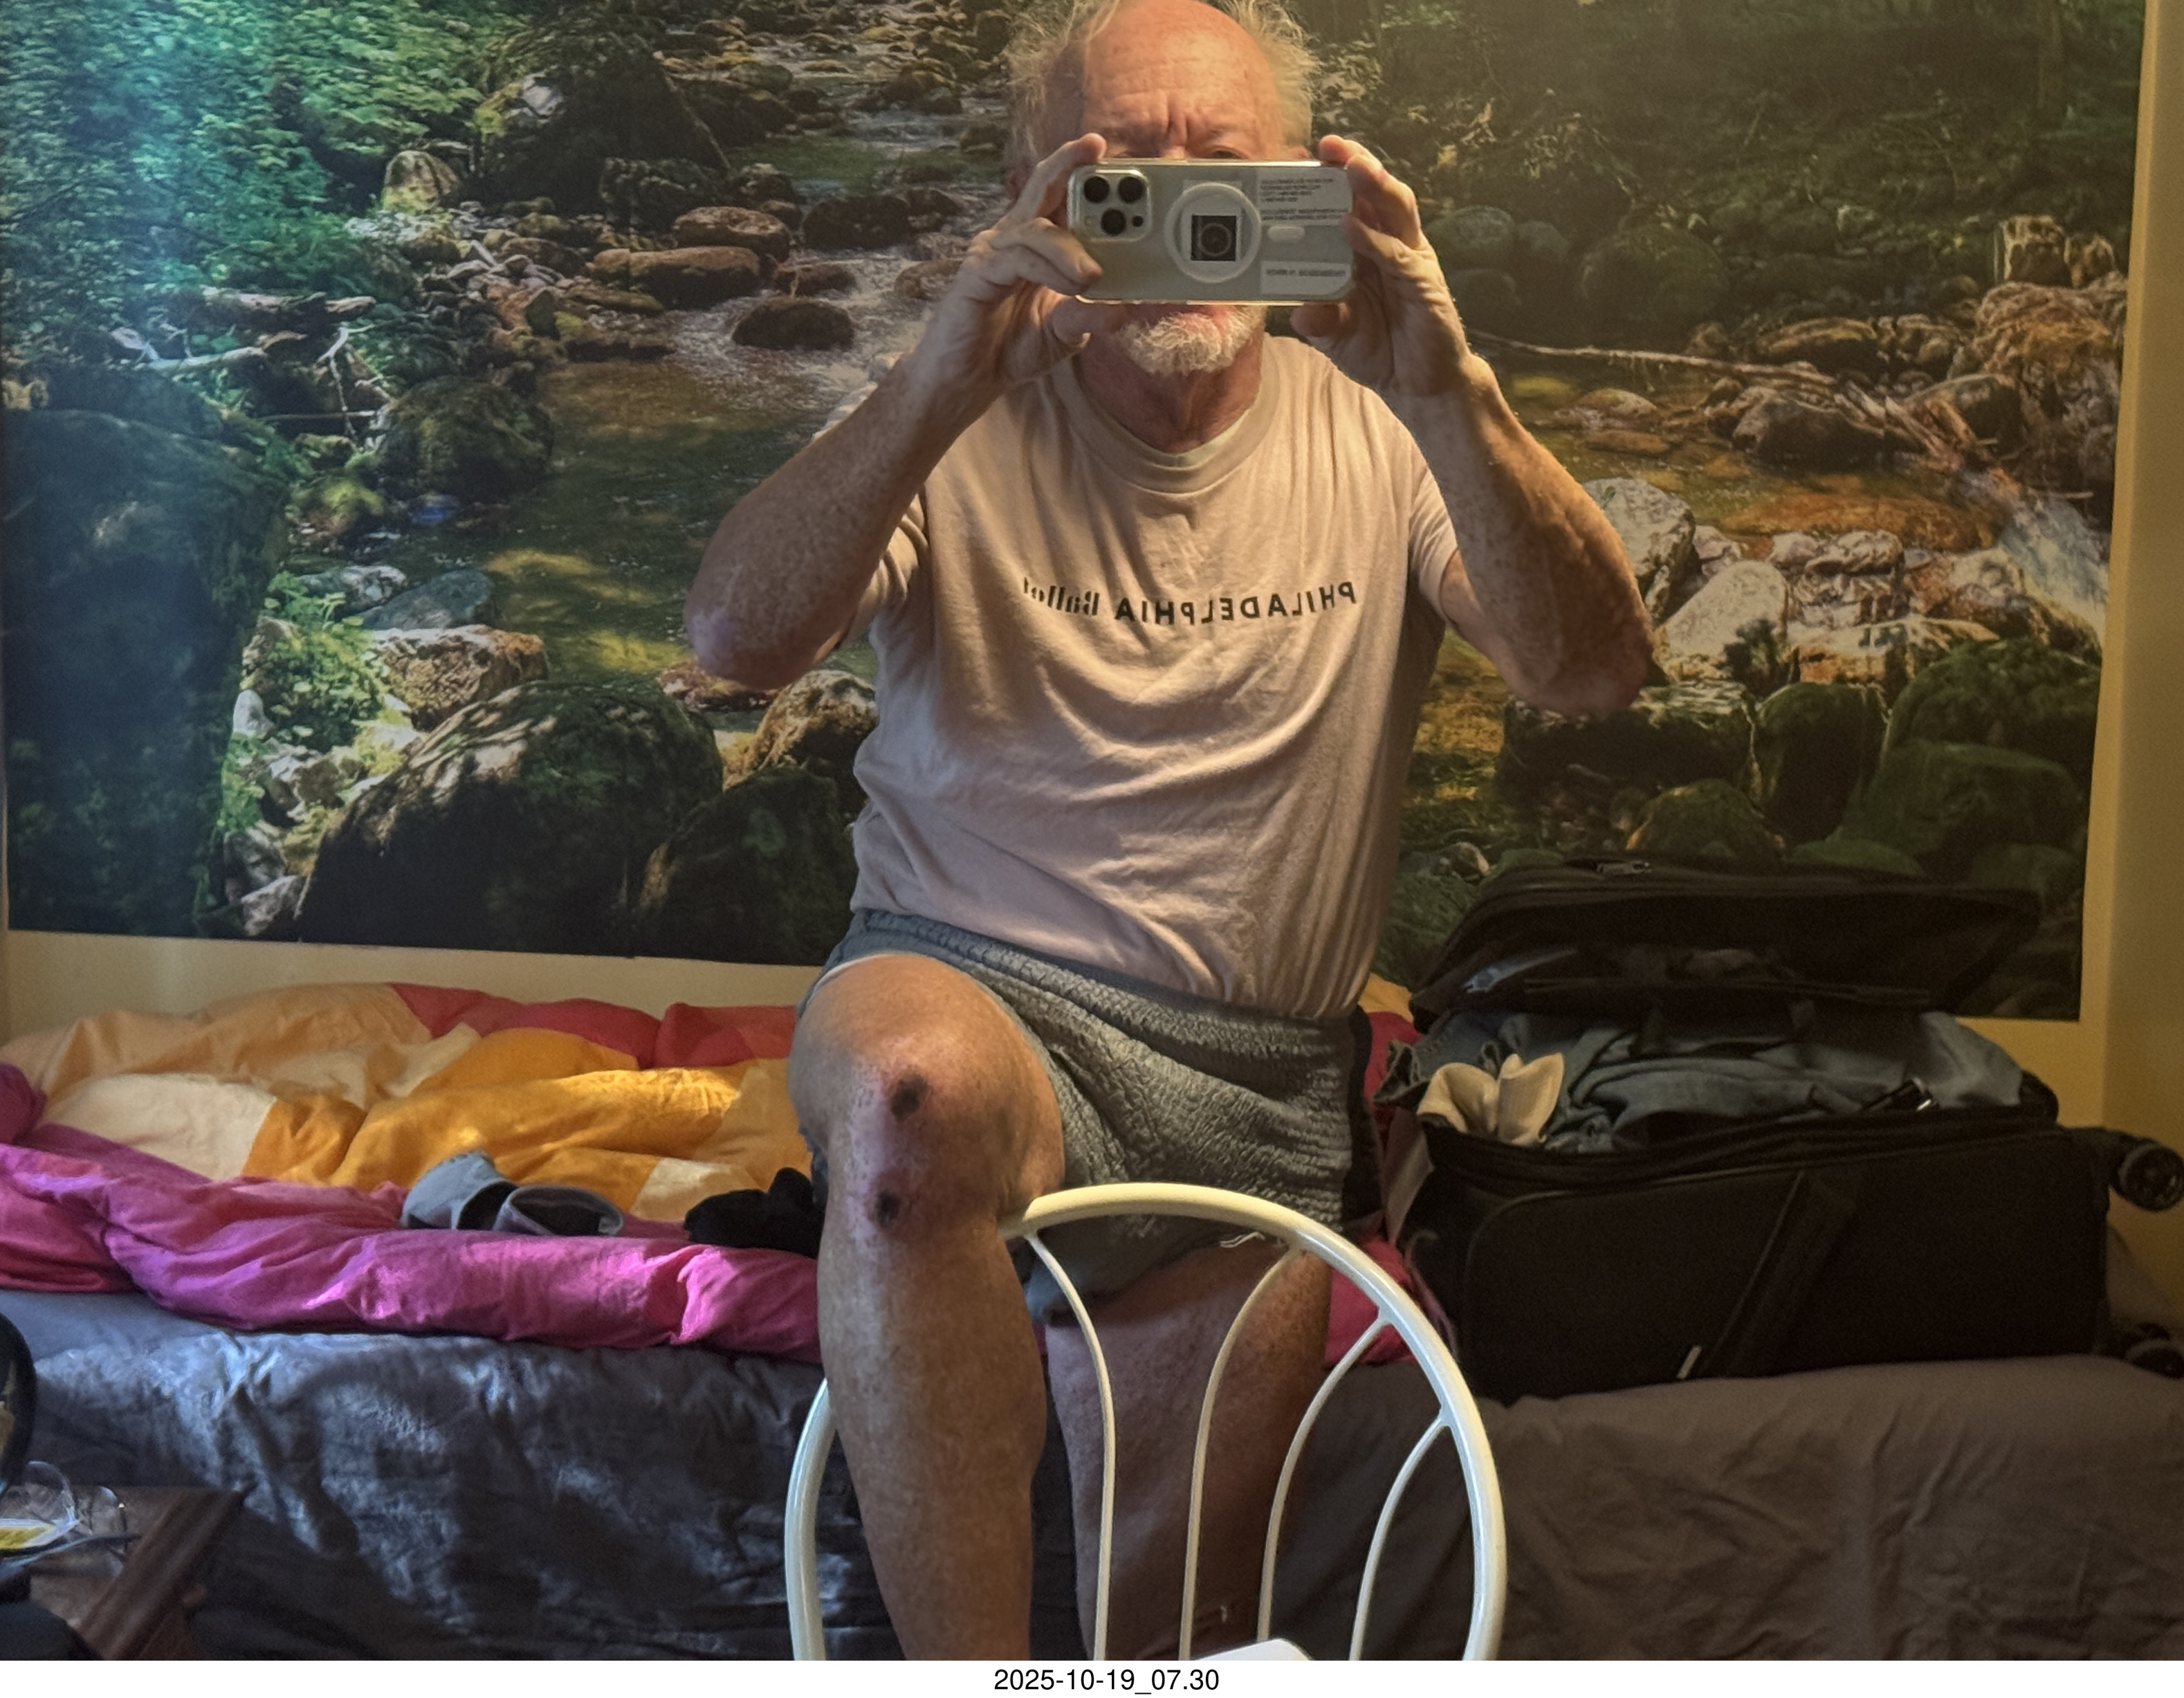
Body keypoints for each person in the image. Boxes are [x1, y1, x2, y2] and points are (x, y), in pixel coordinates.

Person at [686, 0, 1649, 1658]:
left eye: (1225, 162)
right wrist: (933, 376)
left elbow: (1590, 674)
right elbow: (735, 644)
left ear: (1302, 182)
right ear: (1041, 187)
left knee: (1170, 1641)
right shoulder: (955, 404)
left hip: (1254, 1072)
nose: (1183, 204)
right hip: (969, 991)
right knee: (906, 1104)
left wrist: (1451, 383)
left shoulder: (1386, 413)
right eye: (1127, 165)